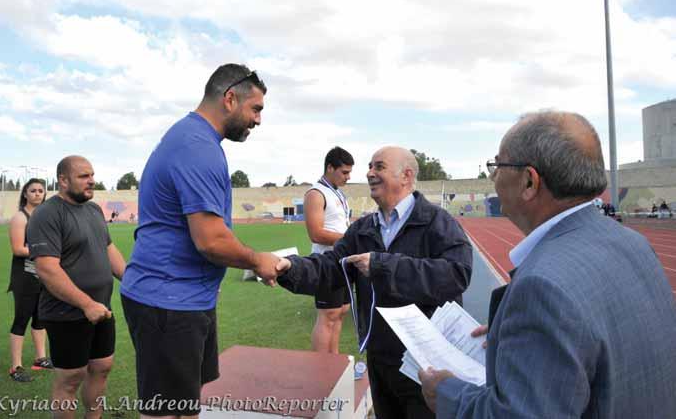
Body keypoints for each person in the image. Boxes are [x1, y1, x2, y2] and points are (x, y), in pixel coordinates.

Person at [419, 111, 676, 418]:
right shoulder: (632, 243)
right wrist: (522, 328)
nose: (493, 176)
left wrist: (447, 393)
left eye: (497, 165)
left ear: (529, 181)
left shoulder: (542, 288)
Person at [120, 64, 280, 418]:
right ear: (229, 98)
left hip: (184, 298)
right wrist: (257, 260)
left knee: (186, 406)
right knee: (164, 412)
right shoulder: (197, 147)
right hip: (168, 301)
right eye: (256, 109)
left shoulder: (194, 139)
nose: (257, 120)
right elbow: (210, 240)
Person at [276, 146, 473, 419]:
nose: (369, 173)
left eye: (378, 166)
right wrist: (289, 268)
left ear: (406, 176)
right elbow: (333, 267)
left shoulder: (437, 222)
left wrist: (383, 266)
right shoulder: (363, 228)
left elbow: (456, 274)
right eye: (370, 166)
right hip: (380, 358)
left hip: (426, 365)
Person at [28, 156, 127, 419]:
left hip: (101, 310)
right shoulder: (47, 214)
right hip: (66, 313)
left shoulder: (93, 210)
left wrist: (133, 281)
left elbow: (108, 250)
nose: (91, 180)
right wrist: (86, 304)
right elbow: (48, 269)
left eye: (92, 174)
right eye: (84, 176)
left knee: (102, 367)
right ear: (63, 180)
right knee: (71, 378)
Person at [305, 146, 354, 354]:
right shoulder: (316, 193)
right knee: (328, 314)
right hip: (326, 261)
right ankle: (320, 370)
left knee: (341, 311)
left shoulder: (338, 193)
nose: (348, 177)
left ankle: (334, 365)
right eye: (344, 172)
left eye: (349, 172)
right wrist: (351, 239)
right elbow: (316, 233)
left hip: (343, 260)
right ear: (330, 167)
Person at [7, 177, 53, 382]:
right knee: (21, 319)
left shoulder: (45, 216)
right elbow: (18, 249)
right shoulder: (20, 217)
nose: (37, 194)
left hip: (44, 275)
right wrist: (45, 251)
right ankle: (15, 366)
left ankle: (40, 358)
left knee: (40, 318)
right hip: (25, 276)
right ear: (25, 193)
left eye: (40, 191)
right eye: (32, 190)